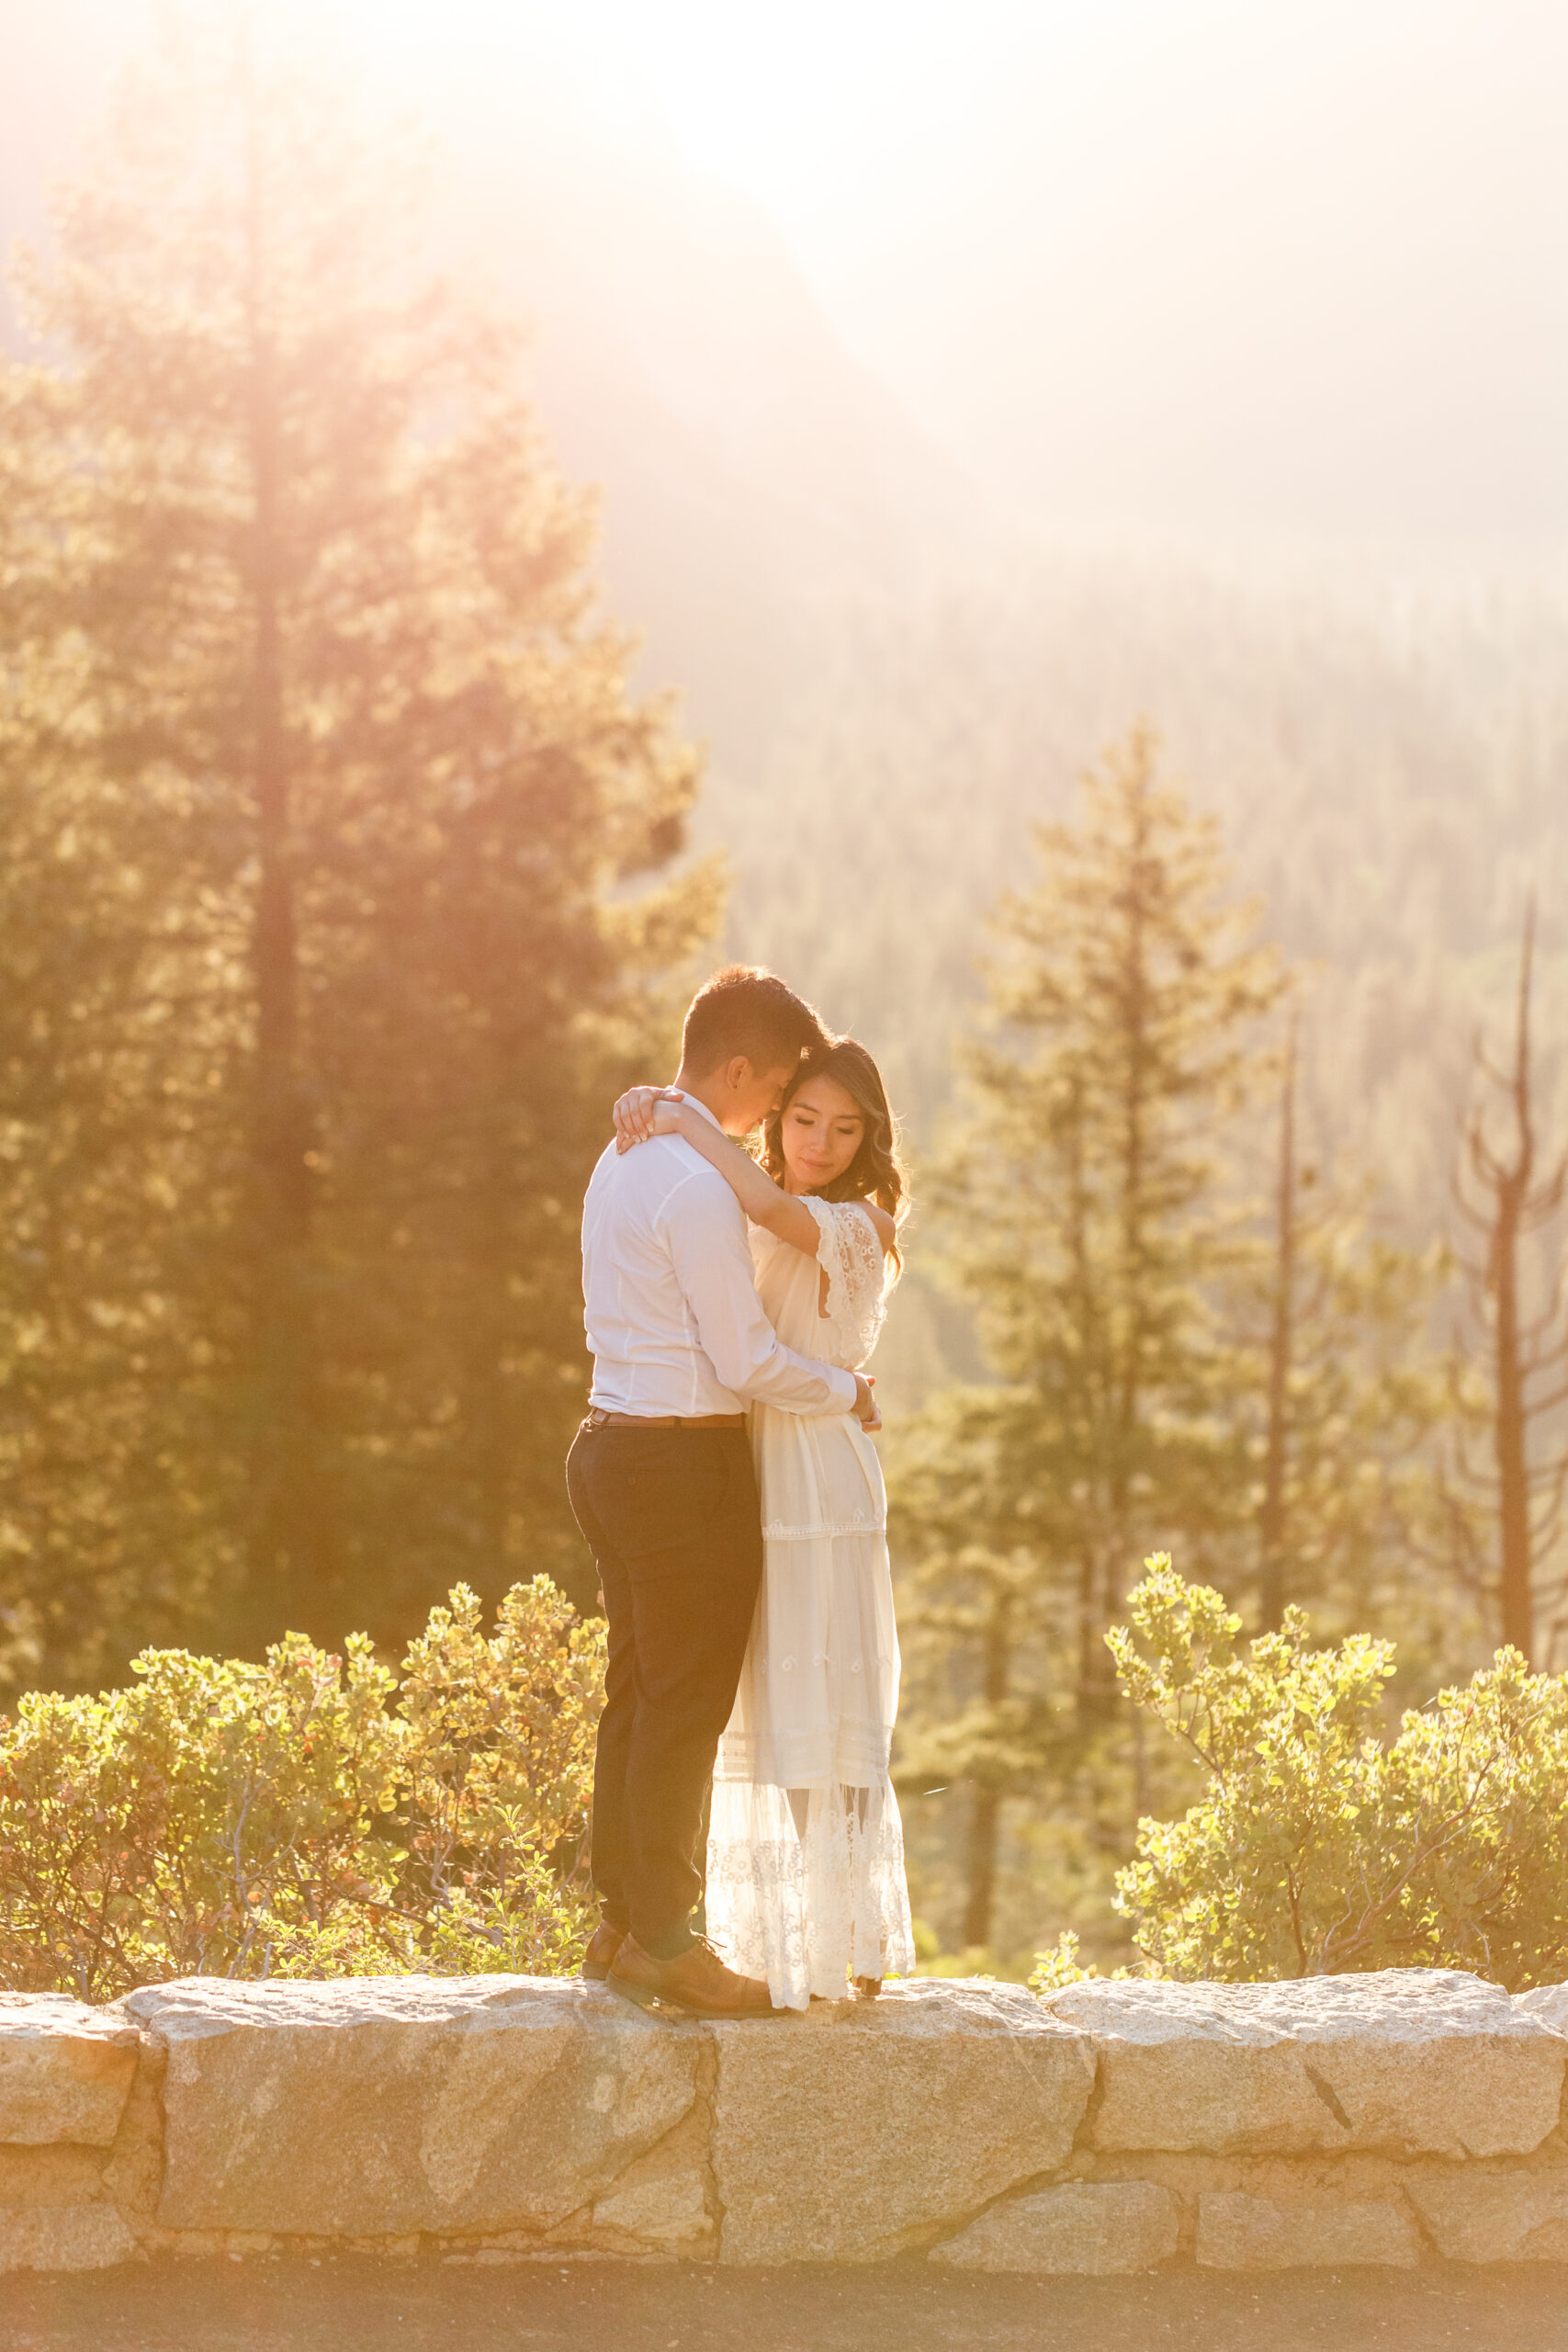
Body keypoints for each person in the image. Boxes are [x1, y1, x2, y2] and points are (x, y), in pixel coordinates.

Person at [565, 967, 881, 2021]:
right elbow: (744, 1358)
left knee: (638, 1692)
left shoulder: (623, 1156)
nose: (779, 1113)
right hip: (677, 1462)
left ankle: (621, 1920)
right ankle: (666, 1938)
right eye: (783, 1087)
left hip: (607, 1445)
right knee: (686, 1704)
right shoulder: (697, 1184)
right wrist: (846, 1388)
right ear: (743, 1071)